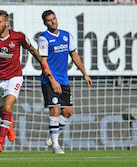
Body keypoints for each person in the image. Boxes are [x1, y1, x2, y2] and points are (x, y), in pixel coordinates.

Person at [0, 10, 51, 156]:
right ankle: (9, 125)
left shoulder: (18, 37)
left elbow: (33, 50)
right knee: (3, 113)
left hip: (14, 77)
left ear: (6, 23)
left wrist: (45, 66)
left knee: (8, 106)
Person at [38, 10, 93, 154]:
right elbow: (43, 62)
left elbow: (74, 55)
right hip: (50, 80)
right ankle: (56, 146)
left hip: (64, 80)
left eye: (54, 18)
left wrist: (85, 74)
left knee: (68, 112)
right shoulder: (44, 38)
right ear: (45, 23)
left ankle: (52, 138)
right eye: (49, 20)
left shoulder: (66, 35)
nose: (53, 22)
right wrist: (52, 80)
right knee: (55, 109)